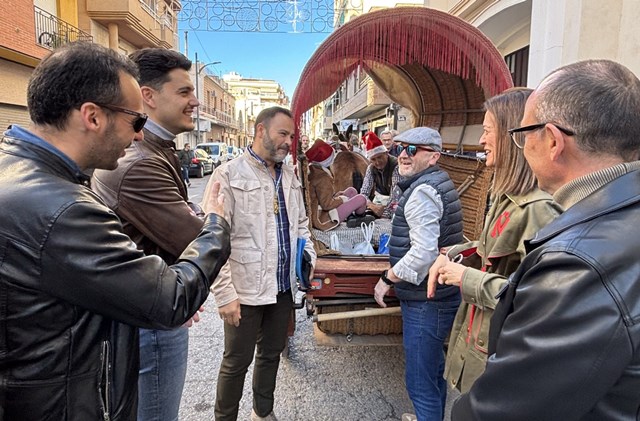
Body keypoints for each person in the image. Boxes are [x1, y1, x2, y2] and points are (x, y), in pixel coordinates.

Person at [0, 42, 231, 421]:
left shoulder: (21, 171)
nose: (139, 136)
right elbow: (169, 299)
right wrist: (217, 222)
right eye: (135, 121)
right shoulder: (67, 210)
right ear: (92, 116)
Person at [451, 59, 640, 420]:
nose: (520, 147)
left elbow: (507, 407)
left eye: (522, 135)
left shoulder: (578, 263)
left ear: (553, 141)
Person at [425, 88, 562, 394]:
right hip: (478, 344)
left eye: (487, 132)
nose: (481, 141)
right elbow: (490, 249)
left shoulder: (538, 209)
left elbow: (534, 302)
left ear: (516, 136)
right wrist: (455, 254)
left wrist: (465, 278)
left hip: (501, 357)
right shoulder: (504, 196)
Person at [92, 47, 204, 421]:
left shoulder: (154, 151)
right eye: (185, 92)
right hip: (150, 322)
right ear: (148, 96)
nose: (196, 101)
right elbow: (196, 237)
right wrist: (217, 215)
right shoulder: (139, 161)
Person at [203, 106, 317, 421]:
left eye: (291, 136)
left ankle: (262, 413)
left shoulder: (291, 174)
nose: (288, 142)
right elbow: (213, 241)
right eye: (282, 134)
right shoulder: (228, 174)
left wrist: (307, 257)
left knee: (270, 355)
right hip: (245, 290)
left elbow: (302, 222)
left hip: (282, 288)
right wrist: (224, 293)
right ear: (260, 130)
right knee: (236, 362)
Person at [373, 127, 463, 421]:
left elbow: (423, 253)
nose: (403, 155)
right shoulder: (433, 182)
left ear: (434, 156)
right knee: (433, 371)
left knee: (420, 382)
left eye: (413, 150)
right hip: (436, 295)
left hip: (428, 299)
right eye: (400, 148)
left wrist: (387, 278)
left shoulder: (423, 191)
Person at [305, 138, 371, 231]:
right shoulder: (323, 177)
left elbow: (321, 197)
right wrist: (341, 199)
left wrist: (336, 196)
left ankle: (352, 216)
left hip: (321, 211)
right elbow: (326, 205)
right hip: (323, 219)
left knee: (351, 191)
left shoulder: (314, 170)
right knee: (361, 199)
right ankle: (360, 217)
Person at [360, 131, 401, 218]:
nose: (377, 162)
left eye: (380, 157)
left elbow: (395, 198)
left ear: (386, 154)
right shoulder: (371, 168)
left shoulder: (396, 166)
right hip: (381, 203)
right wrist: (371, 205)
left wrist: (381, 212)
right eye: (373, 159)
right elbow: (363, 193)